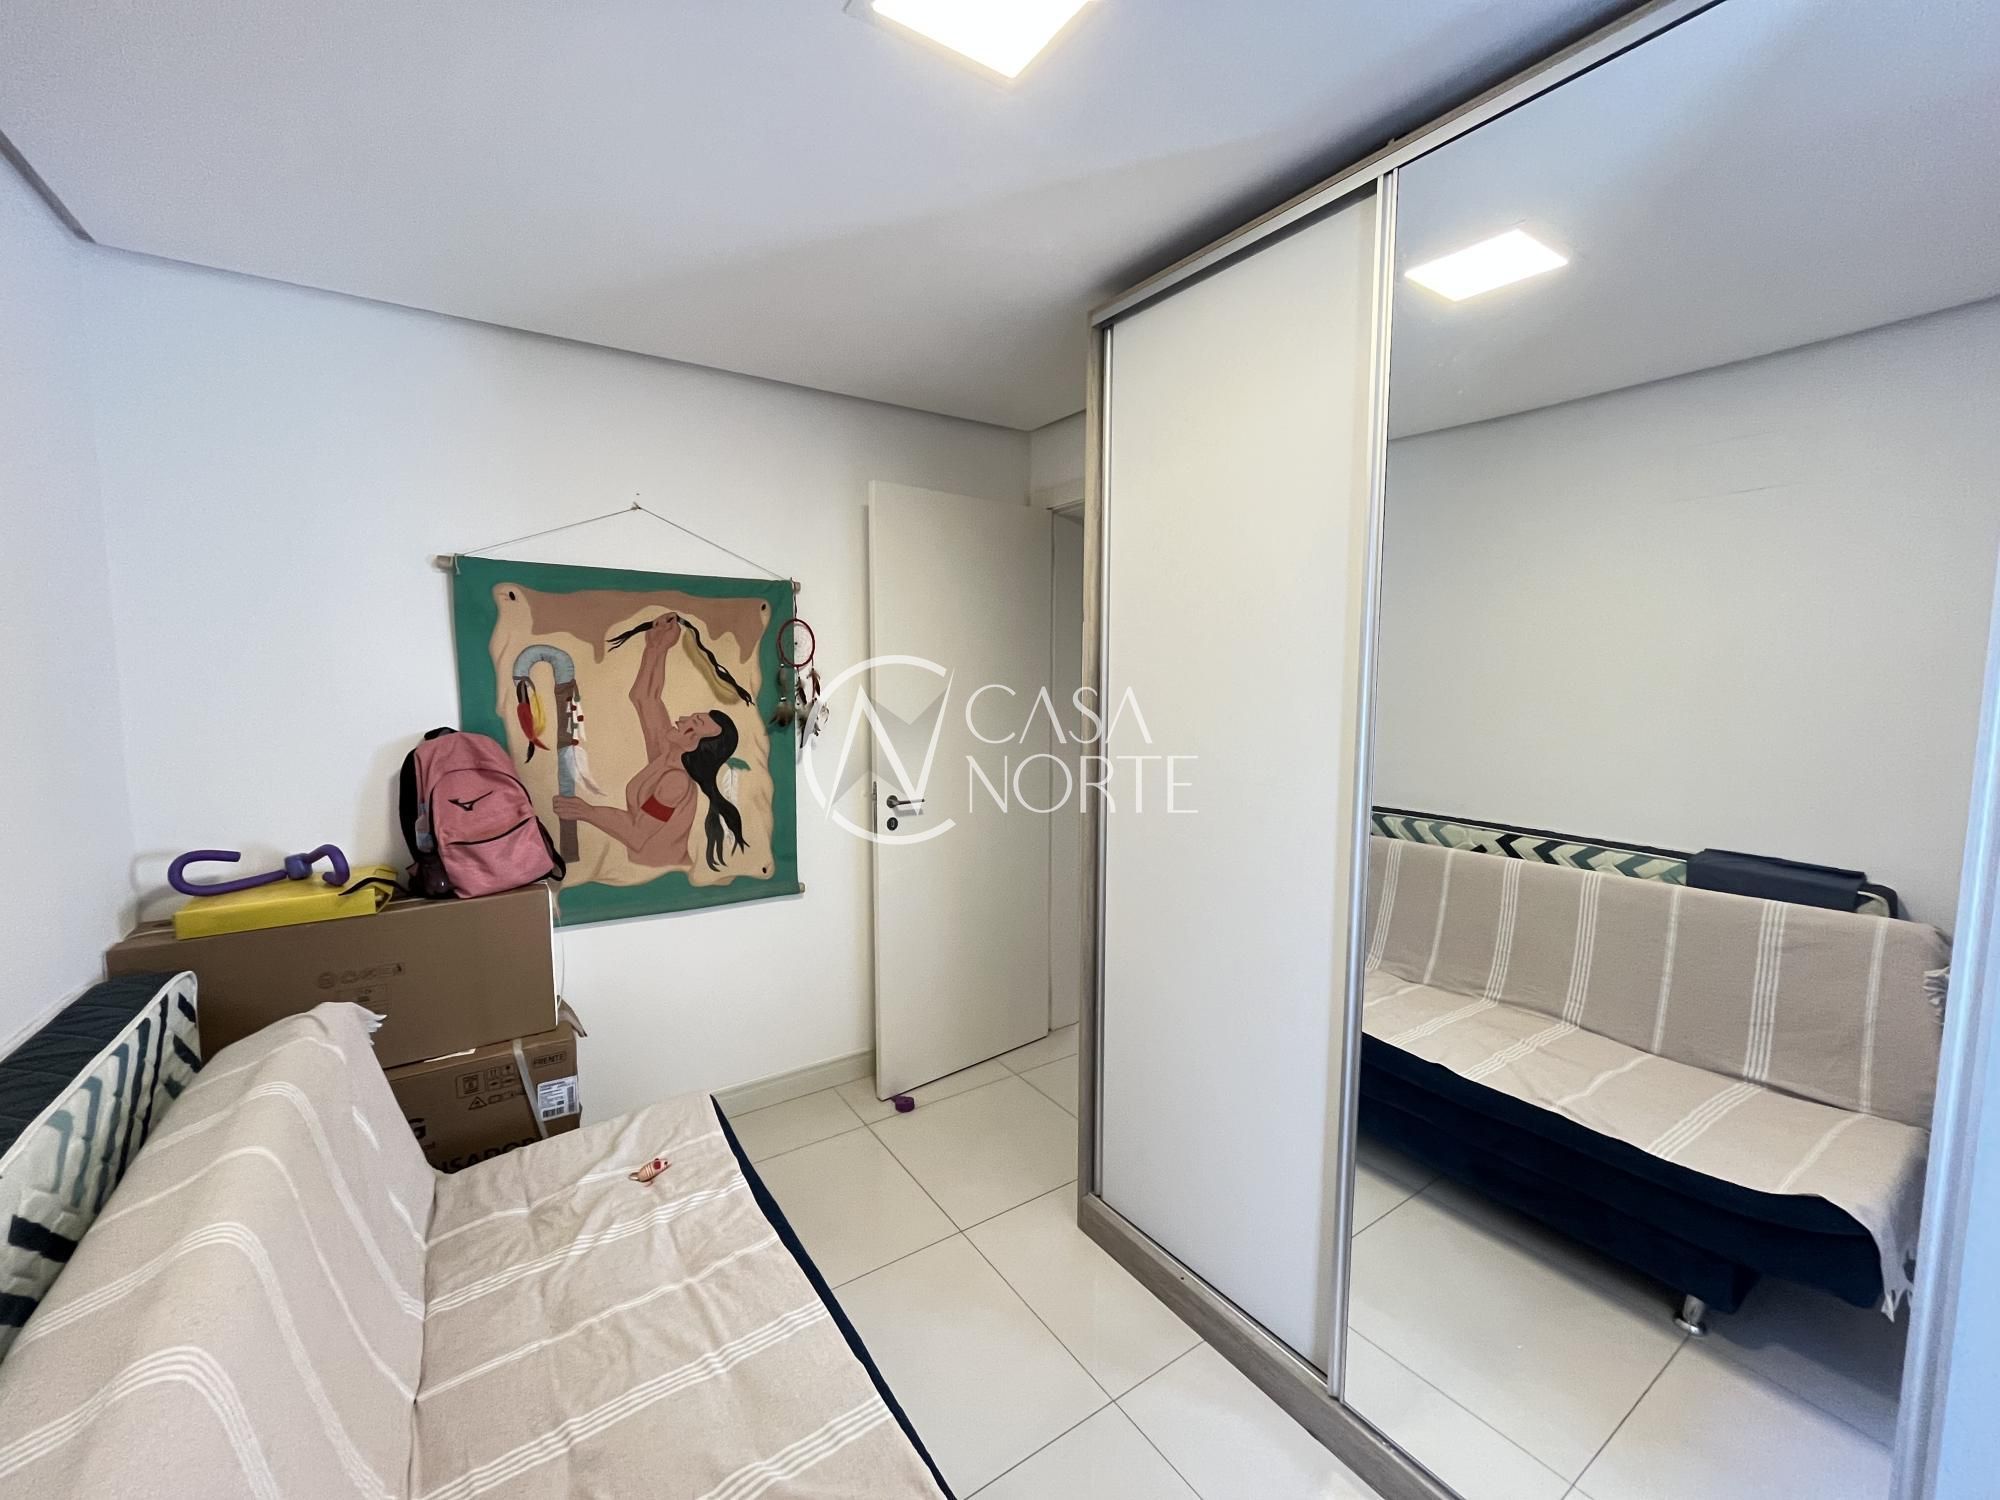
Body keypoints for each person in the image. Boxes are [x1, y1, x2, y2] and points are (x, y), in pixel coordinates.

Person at [553, 612, 749, 870]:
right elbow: (646, 698)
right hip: (647, 872)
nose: (681, 719)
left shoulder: (675, 782)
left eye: (693, 723)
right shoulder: (666, 755)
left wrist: (586, 812)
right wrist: (657, 647)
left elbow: (637, 834)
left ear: (693, 742)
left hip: (665, 874)